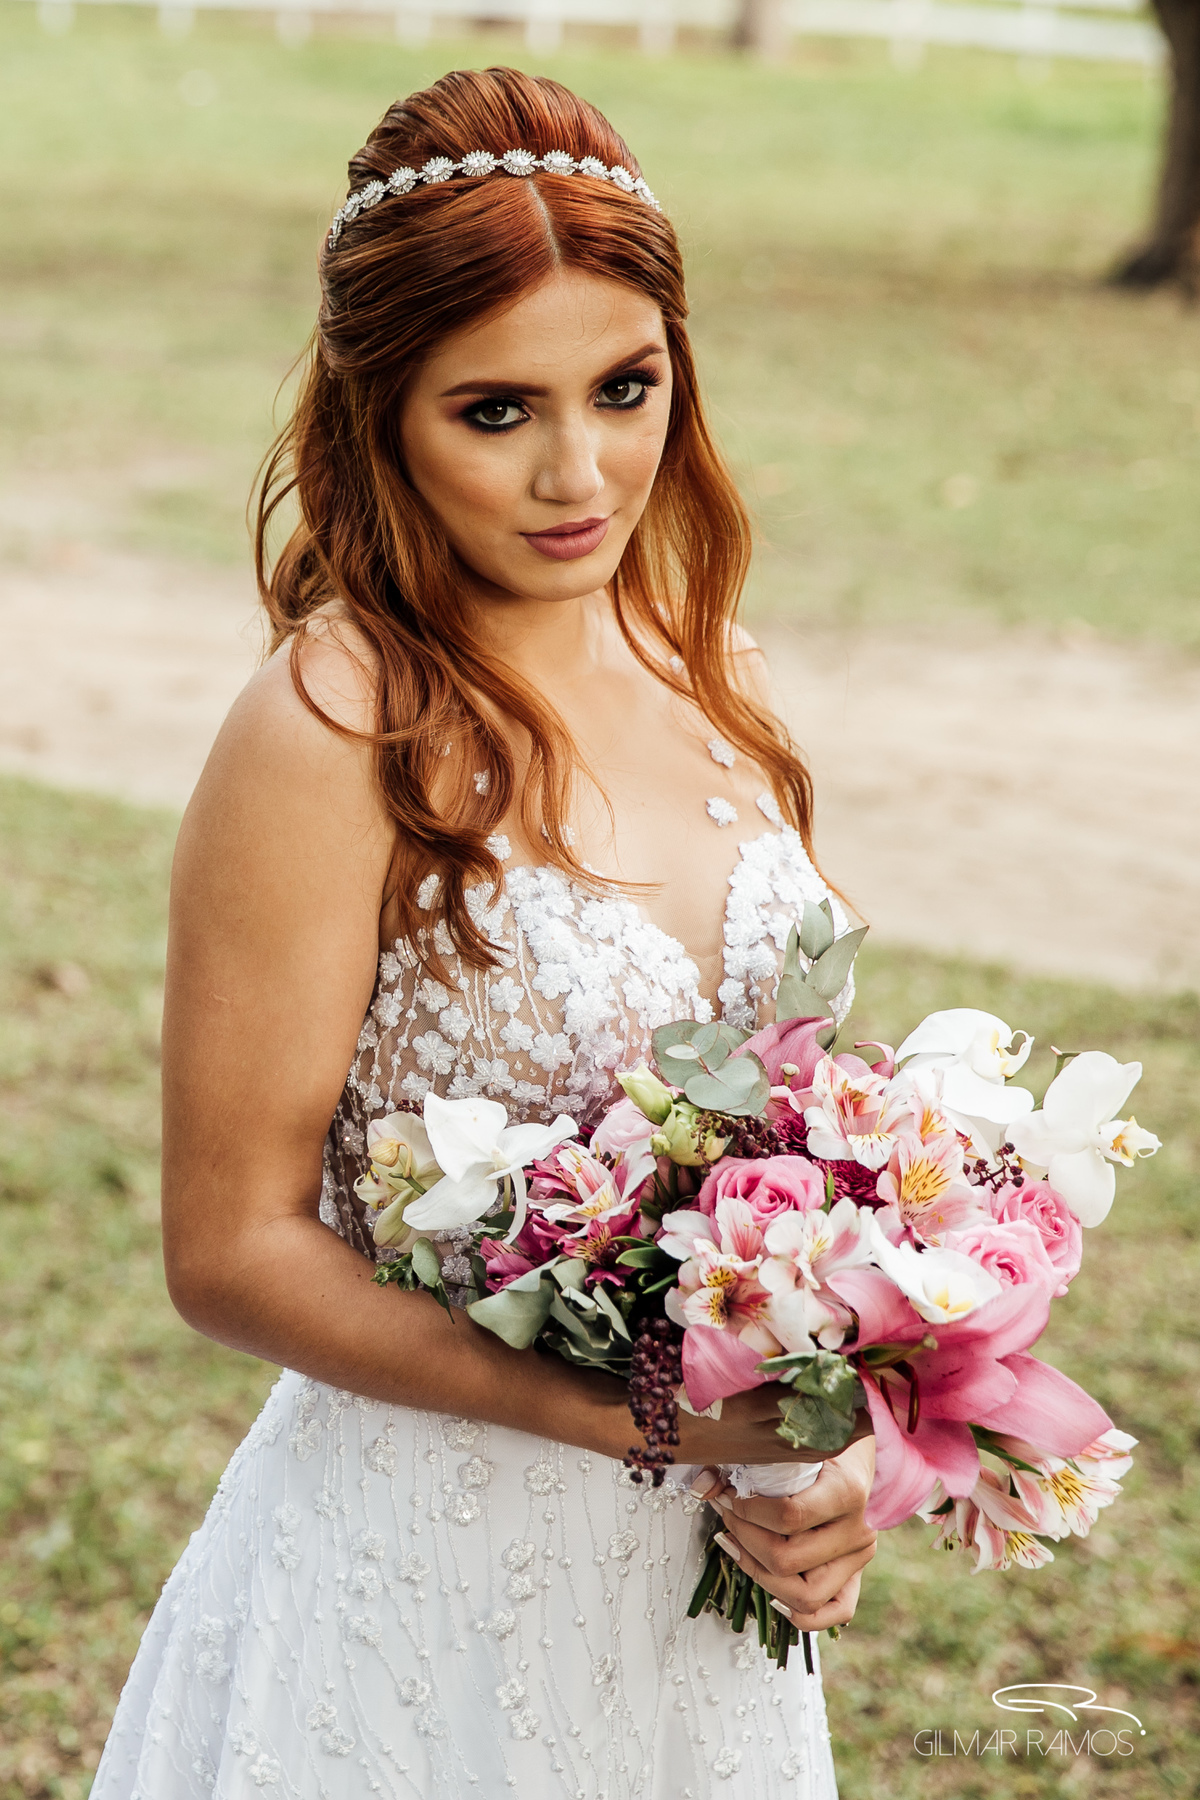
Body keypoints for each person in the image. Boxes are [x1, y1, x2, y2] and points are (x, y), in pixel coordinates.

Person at [92, 66, 876, 1800]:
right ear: (380, 415)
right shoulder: (329, 727)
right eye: (496, 411)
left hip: (701, 1605)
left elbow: (794, 1152)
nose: (579, 473)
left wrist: (830, 1450)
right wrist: (639, 1412)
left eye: (625, 388)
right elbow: (229, 1247)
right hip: (415, 1586)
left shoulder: (716, 675)